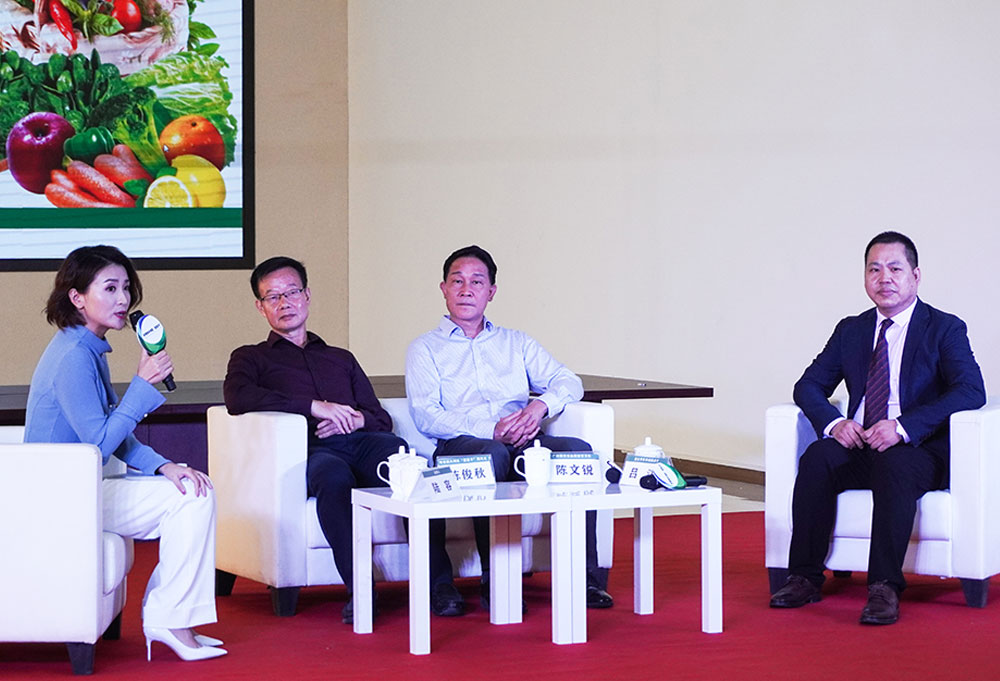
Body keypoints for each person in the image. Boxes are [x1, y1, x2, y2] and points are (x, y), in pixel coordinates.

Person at [223, 256, 464, 621]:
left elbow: (379, 417)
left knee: (406, 462)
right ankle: (361, 590)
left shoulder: (341, 358)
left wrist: (353, 419)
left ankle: (440, 585)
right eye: (273, 297)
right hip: (313, 449)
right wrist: (314, 407)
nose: (284, 303)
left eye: (292, 292)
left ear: (307, 295)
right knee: (333, 477)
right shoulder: (251, 358)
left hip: (361, 443)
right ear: (261, 307)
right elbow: (237, 397)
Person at [770, 231, 986, 625]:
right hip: (862, 442)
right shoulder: (851, 330)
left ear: (915, 276)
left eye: (895, 269)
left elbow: (971, 390)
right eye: (874, 269)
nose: (884, 278)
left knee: (894, 464)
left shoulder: (944, 328)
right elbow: (808, 386)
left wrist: (903, 427)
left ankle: (884, 586)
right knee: (818, 457)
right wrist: (835, 423)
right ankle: (803, 577)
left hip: (919, 449)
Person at [24, 245, 225, 662]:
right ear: (77, 297)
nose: (124, 299)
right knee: (192, 499)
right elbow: (98, 447)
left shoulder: (86, 348)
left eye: (126, 288)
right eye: (110, 288)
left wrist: (163, 465)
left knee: (191, 487)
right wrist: (141, 386)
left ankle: (173, 618)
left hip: (78, 488)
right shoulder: (73, 358)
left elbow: (111, 433)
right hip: (59, 498)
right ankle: (170, 620)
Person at [406, 245, 614, 611]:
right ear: (443, 289)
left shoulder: (516, 342)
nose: (466, 290)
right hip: (463, 446)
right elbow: (427, 415)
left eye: (476, 282)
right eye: (457, 281)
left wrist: (538, 407)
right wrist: (491, 430)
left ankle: (584, 579)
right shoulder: (424, 348)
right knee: (493, 453)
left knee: (578, 451)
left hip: (524, 442)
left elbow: (568, 381)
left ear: (491, 292)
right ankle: (496, 581)